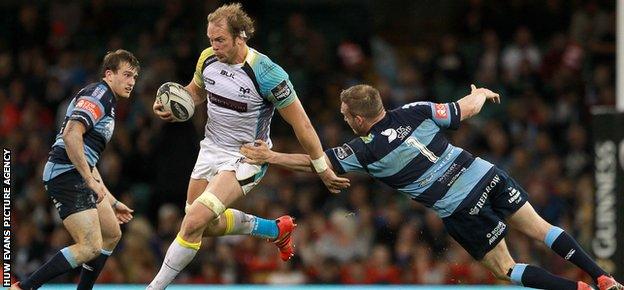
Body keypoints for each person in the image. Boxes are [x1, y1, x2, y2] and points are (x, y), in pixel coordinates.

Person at [240, 84, 624, 290]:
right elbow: (465, 108)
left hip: (461, 208)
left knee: (506, 270)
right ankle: (601, 276)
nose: (345, 121)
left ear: (358, 118)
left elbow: (315, 162)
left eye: (345, 117)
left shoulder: (364, 149)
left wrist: (270, 157)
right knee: (541, 229)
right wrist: (479, 94)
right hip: (486, 174)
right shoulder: (415, 109)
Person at [148, 3, 349, 289]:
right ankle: (274, 229)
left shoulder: (268, 74)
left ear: (240, 37)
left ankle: (153, 287)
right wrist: (175, 104)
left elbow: (301, 124)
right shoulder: (207, 59)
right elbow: (196, 92)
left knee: (193, 222)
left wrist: (321, 167)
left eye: (220, 40)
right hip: (211, 149)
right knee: (204, 224)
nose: (214, 46)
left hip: (246, 156)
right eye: (210, 40)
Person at [11, 49, 138, 290]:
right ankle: (22, 288)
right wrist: (89, 180)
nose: (132, 82)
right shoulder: (99, 94)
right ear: (109, 74)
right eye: (128, 75)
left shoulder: (108, 100)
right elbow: (71, 135)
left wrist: (111, 201)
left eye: (135, 77)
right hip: (65, 173)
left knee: (111, 233)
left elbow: (87, 158)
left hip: (76, 171)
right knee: (89, 246)